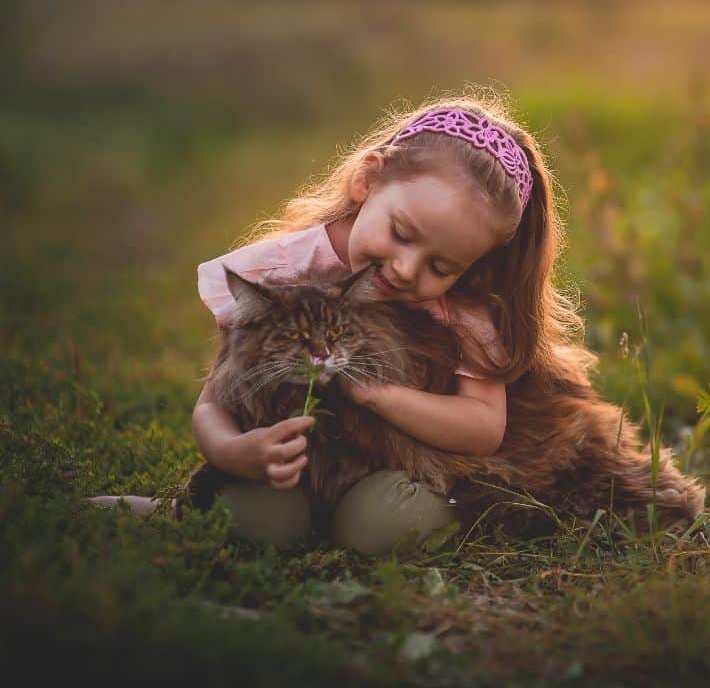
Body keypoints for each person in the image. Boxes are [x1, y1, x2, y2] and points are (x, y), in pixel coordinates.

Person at [88, 93, 587, 556]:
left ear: (472, 266)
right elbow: (216, 399)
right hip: (294, 471)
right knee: (257, 522)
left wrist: (379, 397)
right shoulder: (281, 272)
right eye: (400, 233)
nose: (407, 270)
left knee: (377, 527)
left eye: (442, 267)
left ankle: (383, 517)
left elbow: (483, 428)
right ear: (367, 181)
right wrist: (233, 452)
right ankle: (180, 510)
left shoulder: (467, 311)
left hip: (402, 469)